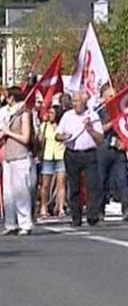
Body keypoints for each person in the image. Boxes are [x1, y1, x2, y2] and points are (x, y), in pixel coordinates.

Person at [56, 90, 104, 227]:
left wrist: (90, 129)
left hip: (89, 154)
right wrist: (63, 137)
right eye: (74, 101)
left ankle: (92, 215)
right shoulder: (67, 116)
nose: (75, 104)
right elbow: (57, 135)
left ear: (84, 102)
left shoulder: (92, 115)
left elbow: (100, 139)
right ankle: (76, 217)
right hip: (72, 153)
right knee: (74, 186)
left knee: (92, 185)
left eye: (78, 101)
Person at [0, 87, 35, 235]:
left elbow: (25, 138)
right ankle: (10, 223)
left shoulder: (24, 114)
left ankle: (25, 224)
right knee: (8, 193)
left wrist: (8, 132)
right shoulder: (8, 113)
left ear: (13, 98)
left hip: (20, 156)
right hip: (8, 156)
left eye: (7, 97)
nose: (5, 100)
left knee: (21, 191)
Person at [97, 84, 128, 221]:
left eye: (114, 96)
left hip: (118, 150)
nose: (113, 98)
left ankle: (126, 208)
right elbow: (99, 130)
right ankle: (99, 210)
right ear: (103, 98)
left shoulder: (122, 110)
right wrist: (112, 122)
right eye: (110, 96)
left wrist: (124, 143)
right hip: (103, 149)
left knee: (122, 179)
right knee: (101, 180)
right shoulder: (99, 111)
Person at [38, 105, 66, 219]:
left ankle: (60, 207)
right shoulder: (45, 125)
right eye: (49, 113)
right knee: (45, 184)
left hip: (60, 155)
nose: (50, 115)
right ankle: (43, 206)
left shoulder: (62, 126)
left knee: (61, 184)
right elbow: (40, 140)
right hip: (48, 156)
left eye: (52, 113)